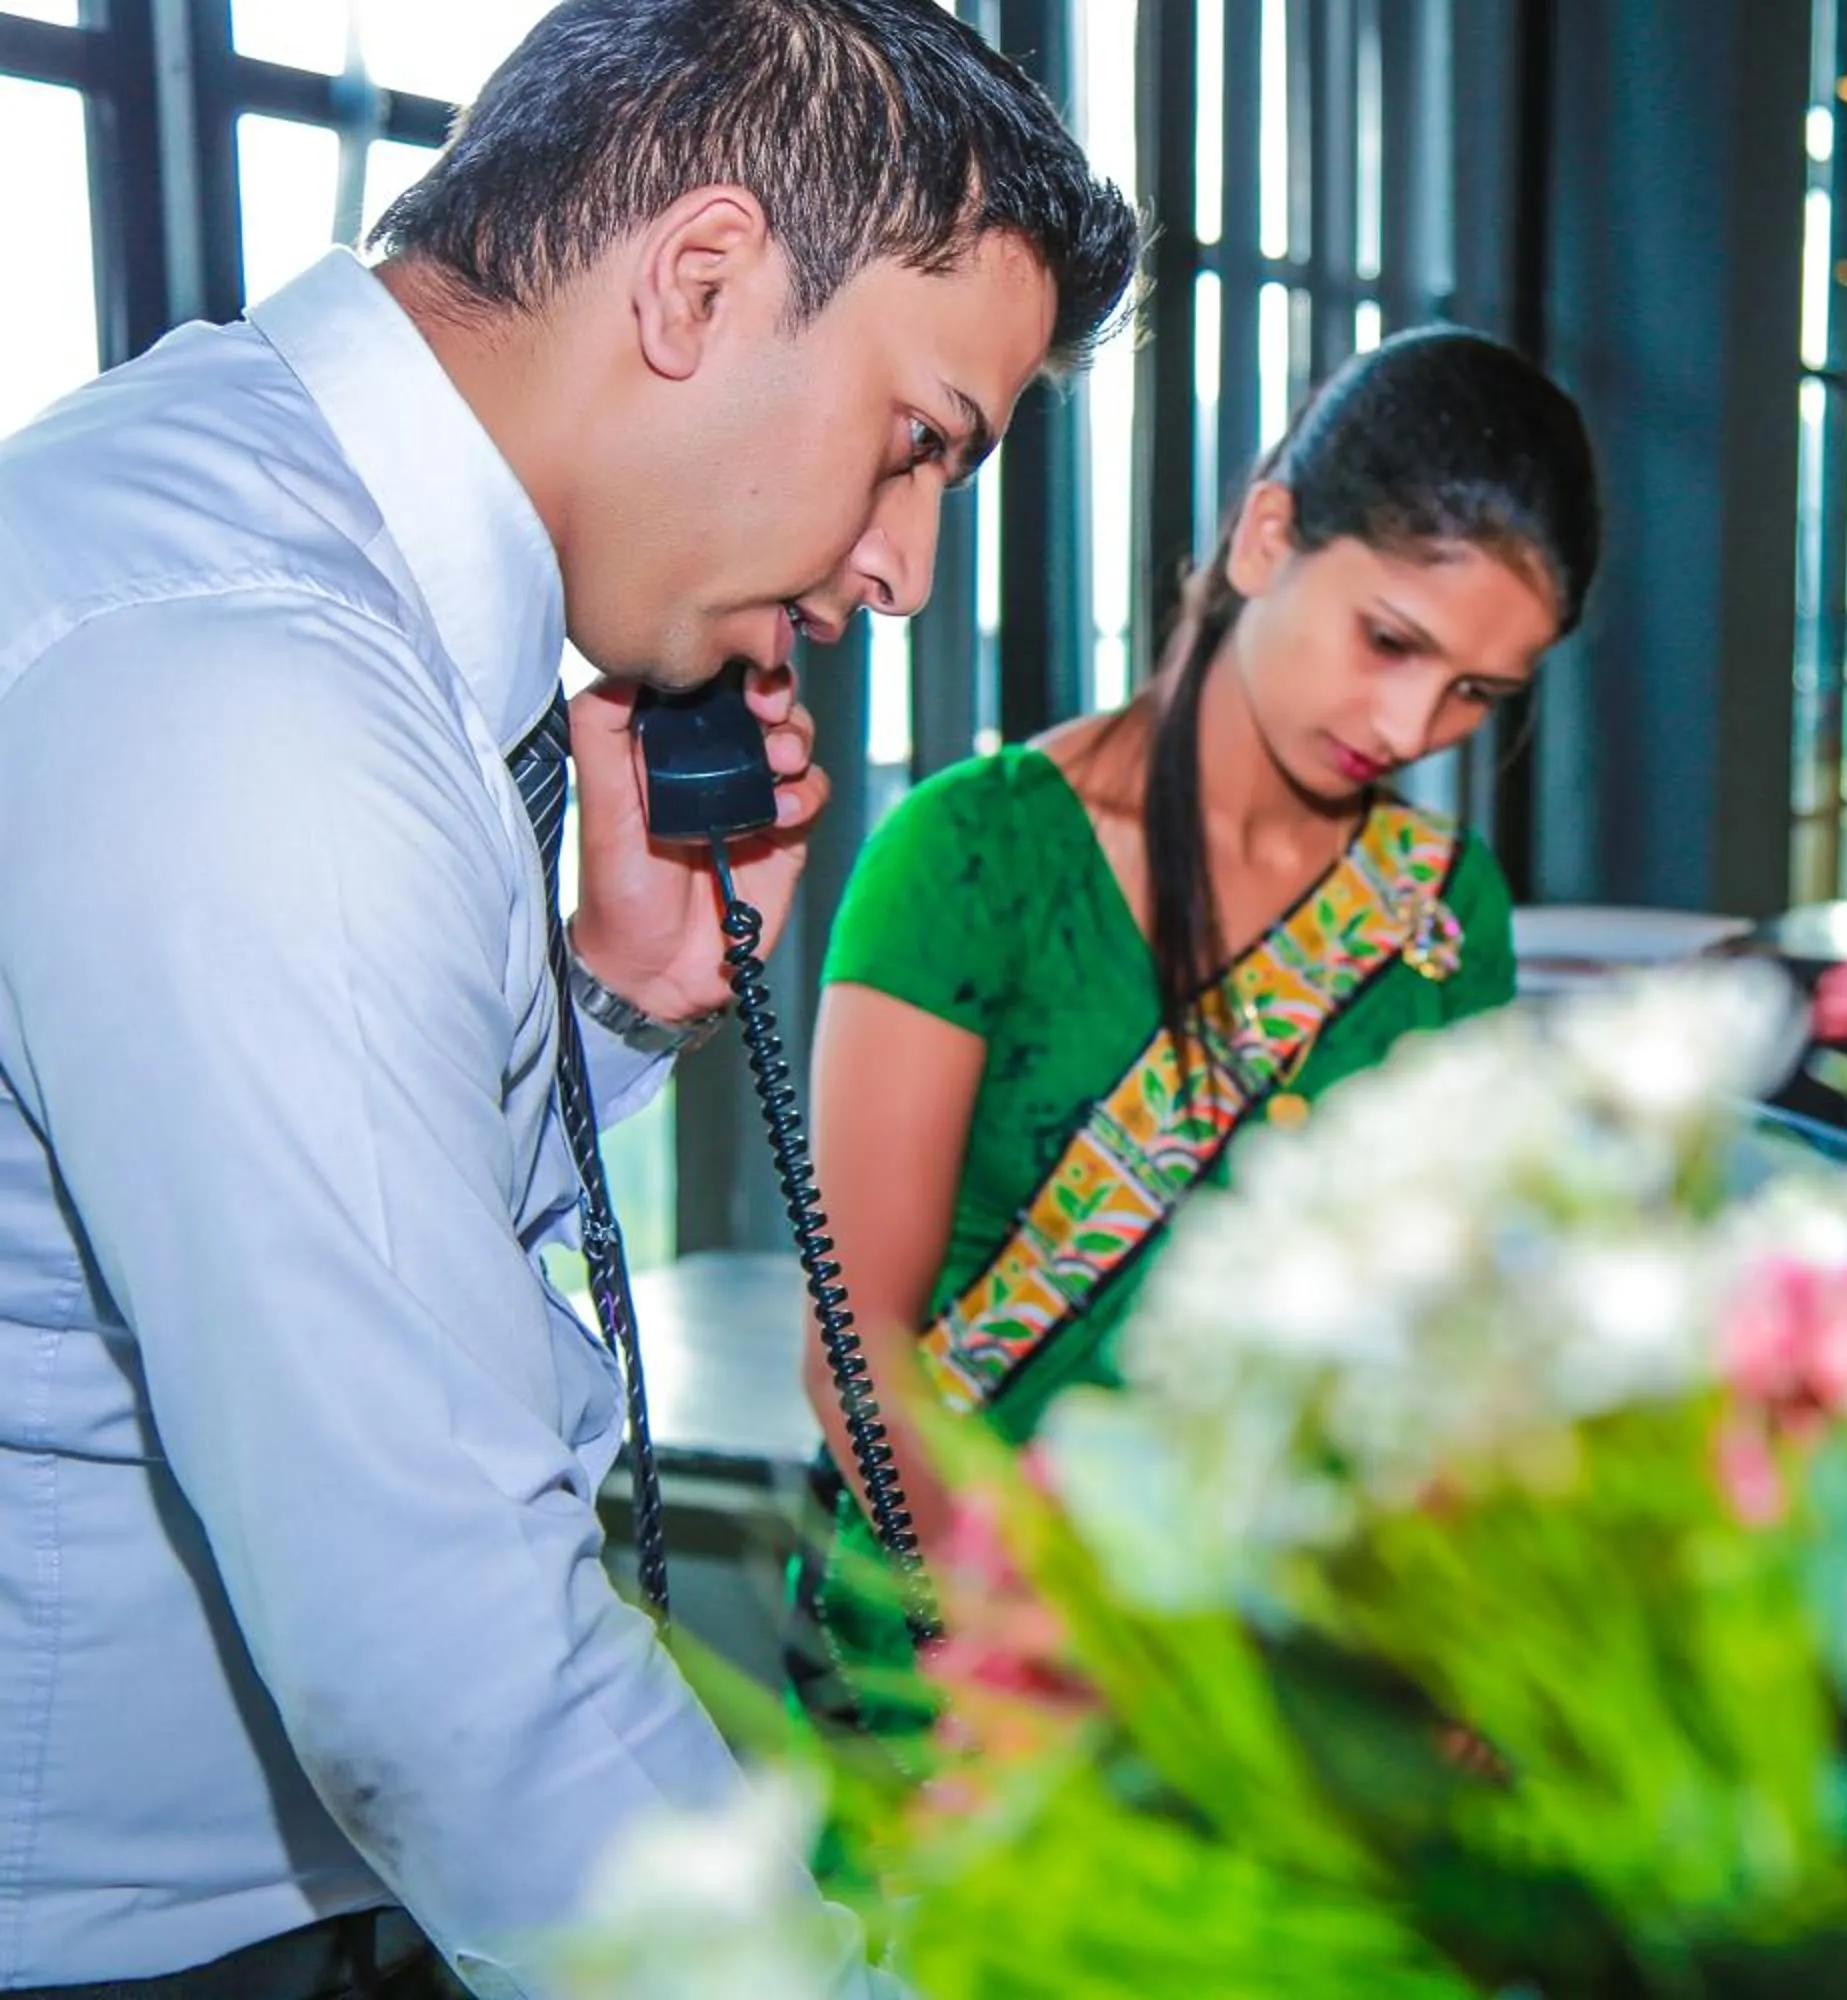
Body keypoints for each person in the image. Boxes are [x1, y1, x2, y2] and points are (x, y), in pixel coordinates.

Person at [0, 0, 1138, 1991]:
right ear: (697, 281)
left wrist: (614, 997)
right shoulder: (256, 702)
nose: (909, 573)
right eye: (916, 445)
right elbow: (439, 1654)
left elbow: (334, 1225)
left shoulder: (271, 538)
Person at [787, 327, 1602, 1742]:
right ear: (1268, 534)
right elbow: (859, 1353)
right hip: (979, 1663)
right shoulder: (972, 858)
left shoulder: (1442, 903)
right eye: (1392, 641)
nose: (1416, 724)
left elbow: (1451, 1327)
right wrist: (1046, 1646)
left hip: (1304, 1674)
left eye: (1478, 694)